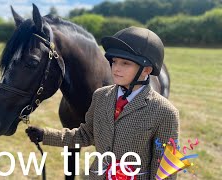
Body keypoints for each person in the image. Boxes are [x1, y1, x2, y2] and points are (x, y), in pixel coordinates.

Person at [26, 26, 179, 180]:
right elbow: (85, 135)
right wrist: (44, 135)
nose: (116, 69)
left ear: (146, 70)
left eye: (125, 63)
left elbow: (165, 171)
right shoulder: (101, 96)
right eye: (114, 61)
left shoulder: (165, 112)